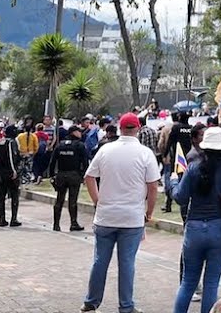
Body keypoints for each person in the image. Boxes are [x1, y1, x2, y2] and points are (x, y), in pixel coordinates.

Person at [81, 112, 161, 313]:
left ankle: (91, 302)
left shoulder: (106, 150)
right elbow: (153, 187)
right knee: (127, 263)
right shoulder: (145, 153)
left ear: (120, 129)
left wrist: (98, 201)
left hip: (106, 215)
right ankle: (126, 306)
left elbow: (89, 177)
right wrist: (149, 212)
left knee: (100, 261)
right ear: (138, 129)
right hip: (131, 217)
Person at [170, 125, 221, 313]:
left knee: (188, 282)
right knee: (211, 283)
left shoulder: (192, 168)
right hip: (220, 230)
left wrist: (174, 182)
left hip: (194, 230)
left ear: (204, 146)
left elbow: (180, 197)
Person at [51, 125, 89, 231]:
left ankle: (56, 224)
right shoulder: (80, 145)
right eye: (79, 132)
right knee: (73, 200)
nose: (81, 134)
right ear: (74, 132)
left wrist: (52, 176)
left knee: (59, 199)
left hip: (61, 175)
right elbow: (85, 162)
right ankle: (73, 223)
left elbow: (53, 161)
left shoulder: (60, 145)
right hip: (74, 175)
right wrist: (84, 175)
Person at [0, 125, 22, 227]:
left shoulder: (0, 141)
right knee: (14, 195)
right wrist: (14, 171)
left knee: (1, 195)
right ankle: (13, 219)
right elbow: (12, 157)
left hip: (0, 171)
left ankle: (2, 219)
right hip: (9, 172)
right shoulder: (11, 142)